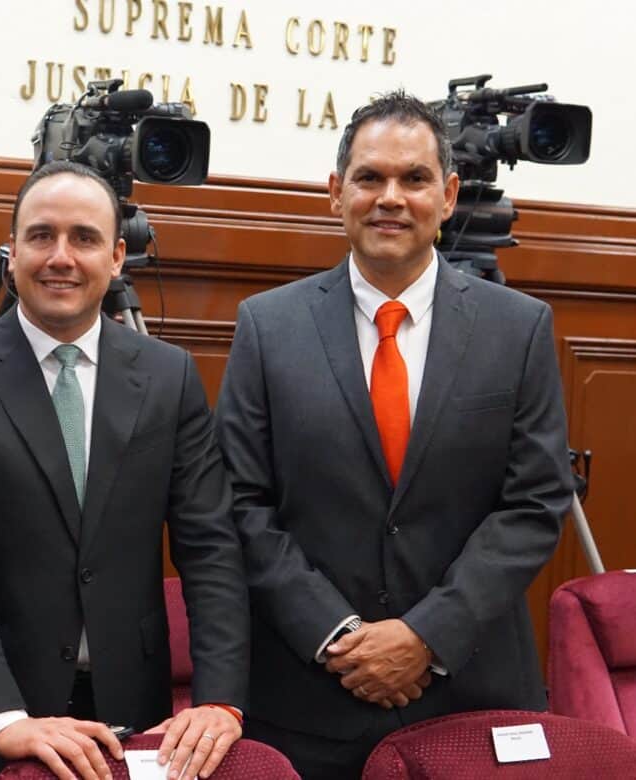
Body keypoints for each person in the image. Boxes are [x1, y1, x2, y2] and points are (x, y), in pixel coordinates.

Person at [215, 90, 574, 779]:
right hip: (310, 701)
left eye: (414, 179)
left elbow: (534, 504)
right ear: (335, 192)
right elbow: (240, 502)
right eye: (369, 177)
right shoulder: (268, 326)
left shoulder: (519, 328)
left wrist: (425, 636)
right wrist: (338, 636)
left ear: (448, 196)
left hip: (471, 695)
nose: (391, 198)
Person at [0, 160, 250, 780]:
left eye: (84, 238)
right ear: (12, 252)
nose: (60, 257)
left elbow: (210, 546)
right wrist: (5, 718)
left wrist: (220, 698)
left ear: (116, 258)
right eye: (41, 235)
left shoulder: (169, 376)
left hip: (130, 714)